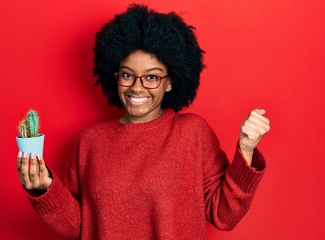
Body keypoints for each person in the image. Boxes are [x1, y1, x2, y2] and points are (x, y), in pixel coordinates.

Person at [16, 4, 270, 240]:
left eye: (151, 77)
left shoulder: (192, 133)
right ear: (114, 76)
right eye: (127, 75)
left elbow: (224, 215)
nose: (137, 88)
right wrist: (44, 189)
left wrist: (246, 150)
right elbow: (81, 227)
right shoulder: (90, 141)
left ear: (170, 82)